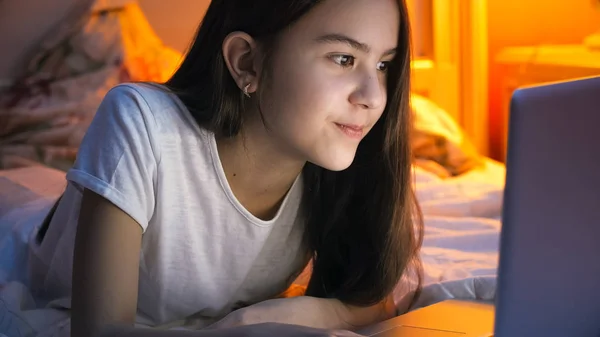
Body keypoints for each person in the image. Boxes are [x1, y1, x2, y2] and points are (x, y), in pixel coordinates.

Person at [27, 0, 424, 336]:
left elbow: (374, 299)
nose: (374, 97)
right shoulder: (140, 121)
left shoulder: (334, 161)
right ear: (246, 62)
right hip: (22, 226)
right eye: (344, 58)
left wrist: (279, 315)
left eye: (384, 65)